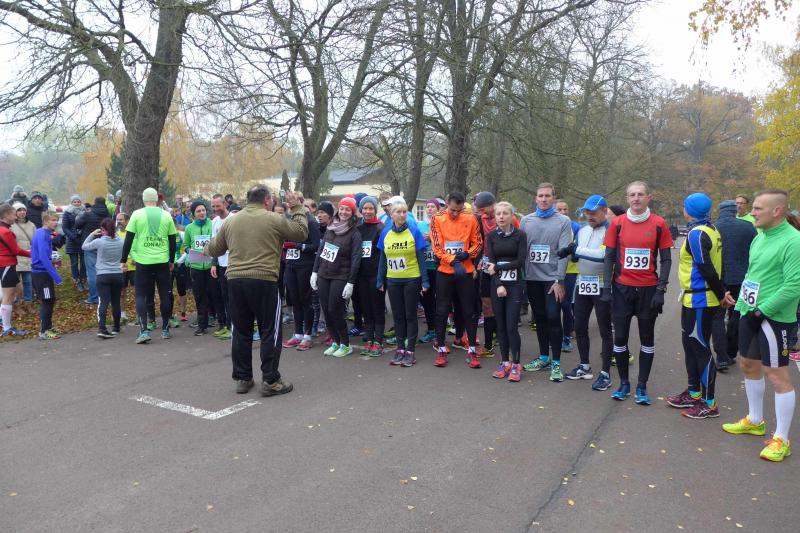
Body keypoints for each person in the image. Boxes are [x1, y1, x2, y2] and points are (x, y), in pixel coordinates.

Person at [205, 185, 307, 396]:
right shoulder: (273, 219)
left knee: (240, 331)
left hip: (235, 280)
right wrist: (297, 208)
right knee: (270, 330)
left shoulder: (231, 220)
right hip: (264, 280)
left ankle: (243, 378)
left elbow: (214, 249)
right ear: (267, 200)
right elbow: (301, 233)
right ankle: (270, 380)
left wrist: (207, 248)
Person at [722, 189, 800, 462]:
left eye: (757, 208)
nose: (750, 212)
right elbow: (754, 273)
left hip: (774, 318)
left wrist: (761, 312)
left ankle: (781, 439)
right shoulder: (760, 236)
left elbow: (794, 286)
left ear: (776, 211)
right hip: (749, 311)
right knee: (747, 364)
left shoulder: (793, 241)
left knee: (777, 376)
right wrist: (740, 301)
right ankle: (755, 420)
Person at [603, 181, 673, 404]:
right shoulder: (617, 223)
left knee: (647, 338)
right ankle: (624, 383)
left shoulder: (659, 223)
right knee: (620, 337)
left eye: (640, 194)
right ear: (627, 198)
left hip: (648, 290)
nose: (636, 198)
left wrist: (661, 288)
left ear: (648, 197)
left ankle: (642, 386)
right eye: (632, 195)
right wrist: (606, 288)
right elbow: (609, 257)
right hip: (621, 289)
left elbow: (667, 259)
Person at [666, 193, 734, 419]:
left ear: (689, 211)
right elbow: (719, 264)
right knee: (690, 346)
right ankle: (694, 392)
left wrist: (721, 293)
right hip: (693, 298)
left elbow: (706, 267)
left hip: (700, 300)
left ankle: (709, 403)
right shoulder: (711, 229)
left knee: (700, 349)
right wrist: (723, 290)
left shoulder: (696, 234)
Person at [558, 195, 614, 390]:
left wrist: (577, 250)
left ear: (604, 211)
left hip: (602, 284)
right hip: (583, 283)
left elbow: (604, 255)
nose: (589, 216)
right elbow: (577, 254)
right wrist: (571, 252)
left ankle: (605, 373)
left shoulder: (611, 230)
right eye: (587, 212)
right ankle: (584, 366)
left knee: (605, 329)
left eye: (593, 212)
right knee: (580, 326)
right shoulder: (582, 230)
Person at [520, 183, 573, 381]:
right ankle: (544, 357)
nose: (543, 199)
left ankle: (556, 363)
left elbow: (564, 252)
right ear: (536, 198)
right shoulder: (526, 221)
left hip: (552, 279)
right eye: (540, 196)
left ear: (553, 198)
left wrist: (559, 280)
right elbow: (521, 250)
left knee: (553, 317)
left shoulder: (563, 221)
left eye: (547, 196)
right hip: (532, 278)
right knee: (540, 318)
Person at [430, 192, 483, 368]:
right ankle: (440, 348)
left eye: (458, 210)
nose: (455, 213)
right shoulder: (437, 218)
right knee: (442, 310)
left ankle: (472, 350)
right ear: (447, 204)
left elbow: (478, 243)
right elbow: (437, 247)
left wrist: (468, 254)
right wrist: (453, 261)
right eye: (452, 210)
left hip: (465, 272)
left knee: (469, 310)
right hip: (445, 271)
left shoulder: (471, 218)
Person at [120, 188, 177, 344]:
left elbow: (128, 239)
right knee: (165, 294)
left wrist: (123, 260)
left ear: (144, 199)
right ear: (156, 199)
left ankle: (144, 331)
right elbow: (172, 240)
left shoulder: (137, 214)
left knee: (140, 295)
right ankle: (165, 330)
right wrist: (171, 260)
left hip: (143, 262)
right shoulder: (166, 215)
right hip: (162, 261)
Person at [377, 197, 429, 366]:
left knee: (410, 315)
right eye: (398, 212)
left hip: (411, 279)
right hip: (393, 280)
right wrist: (380, 280)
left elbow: (421, 258)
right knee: (398, 316)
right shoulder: (385, 233)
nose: (401, 215)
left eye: (404, 212)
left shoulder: (413, 231)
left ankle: (410, 351)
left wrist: (425, 281)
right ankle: (400, 349)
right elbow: (383, 259)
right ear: (391, 214)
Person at [311, 197, 362, 358]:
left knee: (335, 309)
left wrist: (351, 282)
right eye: (342, 209)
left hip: (341, 276)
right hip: (324, 274)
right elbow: (321, 251)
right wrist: (314, 272)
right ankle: (335, 341)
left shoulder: (354, 233)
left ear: (352, 212)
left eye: (348, 209)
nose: (344, 212)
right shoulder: (330, 228)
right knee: (326, 310)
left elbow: (356, 259)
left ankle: (345, 344)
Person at [713, 200, 757, 370]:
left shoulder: (713, 228)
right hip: (742, 278)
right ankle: (731, 351)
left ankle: (721, 356)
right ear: (734, 211)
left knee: (717, 317)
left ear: (720, 211)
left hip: (719, 279)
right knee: (737, 314)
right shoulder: (748, 227)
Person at [485, 201, 526, 381]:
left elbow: (520, 261)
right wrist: (498, 283)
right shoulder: (492, 236)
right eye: (498, 214)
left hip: (515, 285)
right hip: (497, 285)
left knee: (511, 326)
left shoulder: (520, 235)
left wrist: (499, 267)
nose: (501, 217)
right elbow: (491, 264)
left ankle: (516, 364)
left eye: (505, 213)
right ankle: (504, 362)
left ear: (511, 216)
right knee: (500, 326)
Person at [282, 193, 321, 351]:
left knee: (306, 301)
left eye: (293, 200)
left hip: (305, 265)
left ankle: (307, 336)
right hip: (291, 265)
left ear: (301, 202)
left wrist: (298, 246)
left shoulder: (310, 221)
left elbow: (317, 245)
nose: (290, 203)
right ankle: (297, 334)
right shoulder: (289, 220)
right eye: (287, 201)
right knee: (295, 300)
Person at [353, 196, 385, 356]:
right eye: (364, 208)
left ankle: (378, 340)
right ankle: (370, 338)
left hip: (376, 275)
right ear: (360, 210)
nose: (367, 211)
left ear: (375, 210)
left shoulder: (381, 228)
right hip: (361, 275)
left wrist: (382, 277)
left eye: (370, 208)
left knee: (377, 307)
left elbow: (384, 255)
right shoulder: (357, 228)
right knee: (366, 308)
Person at [82, 218, 124, 338]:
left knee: (103, 302)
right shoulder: (121, 242)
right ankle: (116, 327)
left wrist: (92, 234)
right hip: (117, 274)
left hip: (103, 275)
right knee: (116, 302)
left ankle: (102, 327)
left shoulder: (99, 242)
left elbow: (84, 246)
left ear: (103, 230)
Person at [184, 201, 216, 336]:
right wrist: (191, 251)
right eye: (198, 211)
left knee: (214, 294)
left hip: (211, 266)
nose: (202, 213)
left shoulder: (212, 224)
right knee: (199, 295)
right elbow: (186, 246)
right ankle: (202, 325)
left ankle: (220, 322)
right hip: (196, 266)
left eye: (203, 210)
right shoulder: (189, 228)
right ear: (193, 214)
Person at [0, 203, 31, 336]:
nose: (15, 217)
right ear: (6, 215)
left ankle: (3, 320)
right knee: (8, 296)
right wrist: (33, 253)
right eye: (13, 214)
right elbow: (16, 250)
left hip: (7, 265)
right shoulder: (6, 231)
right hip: (6, 265)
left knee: (17, 291)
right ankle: (6, 328)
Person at [30, 212, 62, 340]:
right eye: (53, 220)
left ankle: (48, 327)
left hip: (41, 272)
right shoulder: (43, 235)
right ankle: (44, 331)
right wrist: (56, 276)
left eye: (56, 220)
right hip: (41, 274)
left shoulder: (41, 232)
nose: (55, 222)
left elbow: (38, 252)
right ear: (45, 221)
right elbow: (43, 257)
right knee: (47, 301)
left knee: (49, 300)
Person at [417, 198, 443, 346]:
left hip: (439, 267)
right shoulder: (420, 225)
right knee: (427, 300)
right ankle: (431, 329)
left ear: (438, 209)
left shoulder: (442, 223)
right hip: (425, 267)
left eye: (433, 206)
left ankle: (440, 329)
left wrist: (432, 239)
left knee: (440, 300)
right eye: (427, 206)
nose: (430, 209)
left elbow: (446, 241)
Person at [556, 199, 580, 353]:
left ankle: (566, 338)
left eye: (565, 209)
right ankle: (554, 337)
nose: (563, 212)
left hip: (570, 270)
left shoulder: (575, 227)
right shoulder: (550, 225)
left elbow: (577, 251)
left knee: (566, 304)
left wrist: (571, 252)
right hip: (551, 271)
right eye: (559, 209)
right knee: (553, 306)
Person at [76, 197, 111, 306]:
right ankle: (105, 296)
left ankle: (94, 297)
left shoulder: (88, 214)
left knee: (92, 272)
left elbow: (77, 224)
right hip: (105, 245)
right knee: (105, 271)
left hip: (91, 245)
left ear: (94, 203)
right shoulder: (108, 215)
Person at [210, 195, 233, 339]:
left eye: (217, 206)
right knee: (225, 296)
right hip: (221, 264)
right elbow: (214, 244)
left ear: (225, 204)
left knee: (234, 297)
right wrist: (214, 263)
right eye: (213, 206)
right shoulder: (214, 222)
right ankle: (228, 326)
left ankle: (234, 328)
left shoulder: (234, 219)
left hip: (234, 264)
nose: (215, 209)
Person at [313, 201, 334, 338]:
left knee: (332, 301)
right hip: (318, 268)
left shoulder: (334, 229)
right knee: (318, 298)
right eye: (318, 213)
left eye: (322, 213)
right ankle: (320, 321)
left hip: (334, 270)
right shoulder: (316, 229)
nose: (319, 215)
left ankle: (332, 328)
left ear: (330, 215)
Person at [11, 203, 35, 303]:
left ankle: (28, 302)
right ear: (15, 212)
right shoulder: (11, 225)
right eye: (19, 210)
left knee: (28, 282)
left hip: (28, 257)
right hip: (15, 257)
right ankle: (16, 303)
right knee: (15, 283)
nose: (22, 212)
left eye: (24, 210)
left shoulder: (31, 225)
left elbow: (35, 240)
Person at [62, 195, 87, 292]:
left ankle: (83, 279)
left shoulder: (85, 212)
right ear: (71, 202)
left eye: (78, 201)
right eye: (74, 202)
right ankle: (77, 280)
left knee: (84, 262)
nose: (77, 203)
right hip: (72, 240)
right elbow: (65, 228)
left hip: (83, 239)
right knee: (74, 262)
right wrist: (73, 237)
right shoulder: (67, 213)